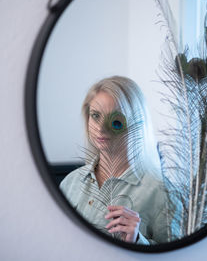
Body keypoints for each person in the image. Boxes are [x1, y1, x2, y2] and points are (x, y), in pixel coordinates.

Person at [60, 76, 171, 245]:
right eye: (96, 116)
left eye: (115, 121)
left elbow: (176, 255)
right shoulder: (70, 183)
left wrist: (137, 240)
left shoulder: (161, 192)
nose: (101, 128)